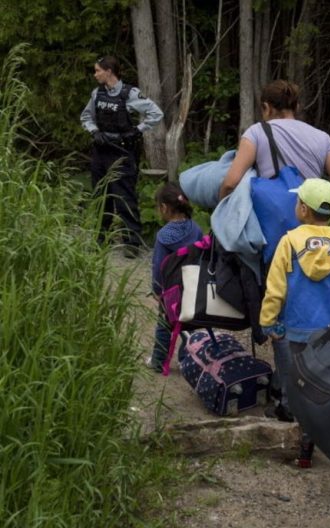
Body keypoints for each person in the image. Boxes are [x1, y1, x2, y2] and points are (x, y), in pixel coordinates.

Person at [219, 79, 330, 421]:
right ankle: (314, 390)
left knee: (281, 316)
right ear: (295, 106)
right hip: (322, 240)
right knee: (320, 314)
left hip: (279, 240)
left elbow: (232, 181)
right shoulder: (321, 138)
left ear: (266, 107)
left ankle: (286, 395)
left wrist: (223, 210)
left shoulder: (256, 132)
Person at [259, 178, 330, 466]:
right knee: (325, 383)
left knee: (296, 384)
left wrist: (268, 322)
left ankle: (301, 443)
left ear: (304, 210)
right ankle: (325, 436)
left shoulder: (289, 241)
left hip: (293, 330)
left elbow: (276, 289)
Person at [80, 55, 164, 258]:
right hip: (101, 152)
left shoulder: (130, 94)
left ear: (109, 71)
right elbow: (86, 116)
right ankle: (101, 239)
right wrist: (94, 131)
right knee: (101, 196)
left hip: (122, 153)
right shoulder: (97, 94)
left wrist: (138, 130)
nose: (95, 74)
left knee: (125, 197)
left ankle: (132, 243)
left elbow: (156, 113)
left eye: (98, 70)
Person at [148, 183, 203, 373]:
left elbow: (158, 266)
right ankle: (186, 358)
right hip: (192, 283)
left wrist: (157, 289)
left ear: (163, 208)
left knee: (165, 323)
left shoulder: (163, 236)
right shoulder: (195, 229)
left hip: (171, 290)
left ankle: (158, 360)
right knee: (189, 322)